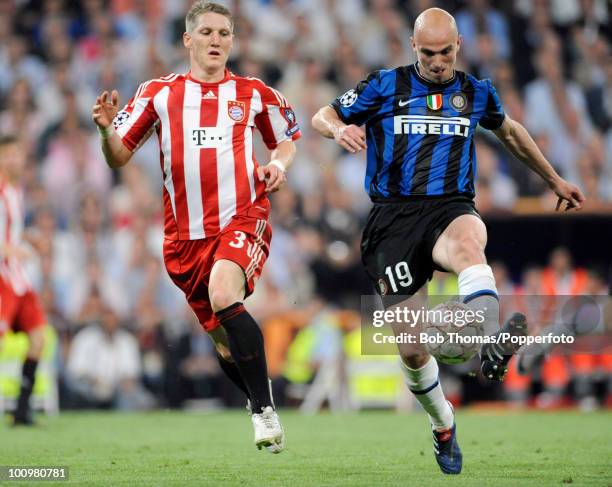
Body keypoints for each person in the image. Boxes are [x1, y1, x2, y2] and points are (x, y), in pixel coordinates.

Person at [312, 7, 585, 474]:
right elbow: (323, 114)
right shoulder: (383, 85)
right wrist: (339, 129)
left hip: (450, 207)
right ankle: (443, 422)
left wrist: (554, 180)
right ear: (413, 48)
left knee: (469, 246)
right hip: (392, 222)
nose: (438, 62)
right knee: (413, 348)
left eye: (446, 52)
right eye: (428, 53)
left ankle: (488, 335)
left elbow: (512, 134)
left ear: (458, 45)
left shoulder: (475, 92)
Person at [92, 1, 300, 453]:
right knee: (225, 347)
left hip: (244, 215)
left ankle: (264, 411)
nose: (215, 41)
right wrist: (108, 132)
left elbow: (284, 139)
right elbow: (119, 155)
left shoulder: (252, 93)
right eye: (206, 33)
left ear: (232, 41)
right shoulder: (159, 94)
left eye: (224, 34)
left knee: (225, 293)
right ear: (188, 40)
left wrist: (277, 166)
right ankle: (257, 400)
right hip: (184, 240)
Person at [0, 135, 47, 425]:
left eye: (19, 154)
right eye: (9, 154)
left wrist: (26, 239)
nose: (16, 159)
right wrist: (9, 249)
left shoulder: (15, 190)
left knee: (38, 338)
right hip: (2, 277)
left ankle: (21, 409)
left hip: (19, 279)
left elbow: (9, 229)